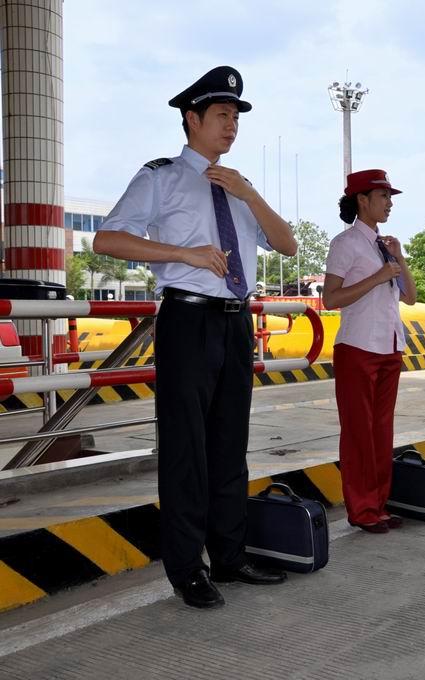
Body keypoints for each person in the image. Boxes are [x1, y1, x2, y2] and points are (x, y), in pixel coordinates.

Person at [94, 66, 298, 609]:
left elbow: (288, 246)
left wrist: (251, 195)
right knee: (187, 449)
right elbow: (108, 239)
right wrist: (183, 254)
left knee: (230, 444)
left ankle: (229, 557)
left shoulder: (238, 188)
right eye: (223, 115)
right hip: (186, 319)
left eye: (236, 116)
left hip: (235, 321)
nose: (232, 125)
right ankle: (188, 569)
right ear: (192, 119)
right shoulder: (161, 177)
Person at [322, 170, 416, 533]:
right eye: (384, 196)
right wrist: (376, 277)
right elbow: (331, 298)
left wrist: (399, 258)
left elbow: (409, 295)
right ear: (363, 200)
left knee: (382, 431)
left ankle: (379, 504)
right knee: (359, 432)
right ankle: (362, 509)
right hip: (358, 346)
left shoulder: (384, 245)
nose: (390, 203)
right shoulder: (345, 244)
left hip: (390, 345)